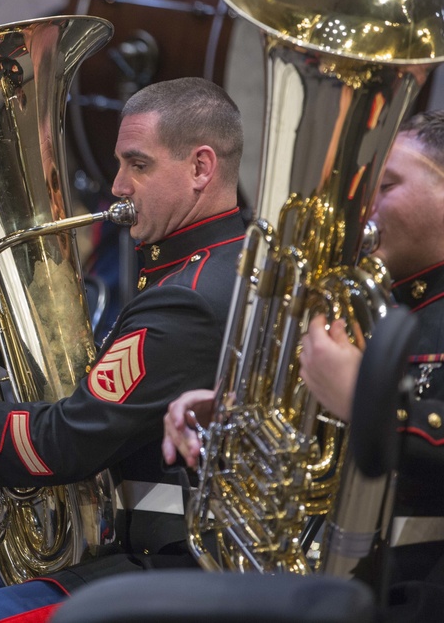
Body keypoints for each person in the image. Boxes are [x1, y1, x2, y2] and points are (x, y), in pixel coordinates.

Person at [0, 76, 246, 622]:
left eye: (137, 165)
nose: (117, 185)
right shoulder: (210, 265)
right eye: (120, 165)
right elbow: (103, 393)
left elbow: (67, 442)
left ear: (201, 168)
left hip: (177, 565)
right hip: (160, 552)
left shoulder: (186, 300)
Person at [164, 110, 444, 623]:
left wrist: (369, 407)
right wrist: (239, 416)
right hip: (325, 586)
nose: (363, 209)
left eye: (386, 185)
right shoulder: (371, 308)